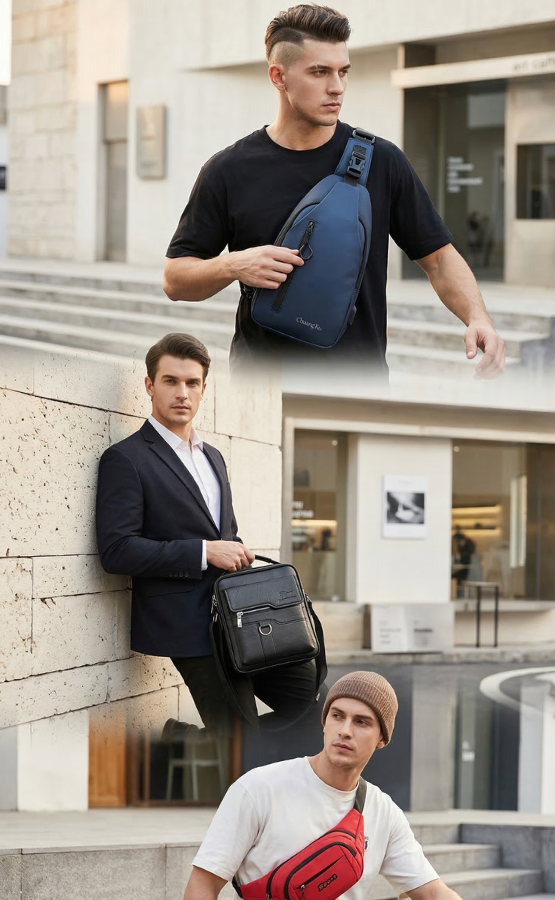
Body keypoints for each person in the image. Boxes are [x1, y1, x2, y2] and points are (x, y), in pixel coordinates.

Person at [163, 4, 505, 381]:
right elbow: (175, 279)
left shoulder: (383, 161)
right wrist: (233, 265)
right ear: (279, 76)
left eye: (343, 72)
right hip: (261, 390)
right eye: (320, 72)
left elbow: (439, 259)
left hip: (357, 387)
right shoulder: (228, 169)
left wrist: (478, 318)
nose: (337, 86)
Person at [95, 332, 322, 744]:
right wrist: (204, 552)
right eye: (170, 381)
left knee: (316, 709)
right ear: (150, 385)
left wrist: (233, 550)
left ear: (204, 388)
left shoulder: (213, 456)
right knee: (242, 743)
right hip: (189, 627)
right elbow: (116, 551)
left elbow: (222, 533)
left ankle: (184, 739)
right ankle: (198, 745)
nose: (182, 393)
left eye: (192, 383)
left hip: (247, 618)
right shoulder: (126, 459)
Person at [183, 671, 463, 900]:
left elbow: (433, 892)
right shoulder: (258, 788)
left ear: (382, 739)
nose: (345, 730)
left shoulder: (384, 814)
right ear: (325, 723)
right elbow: (202, 886)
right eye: (337, 715)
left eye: (362, 722)